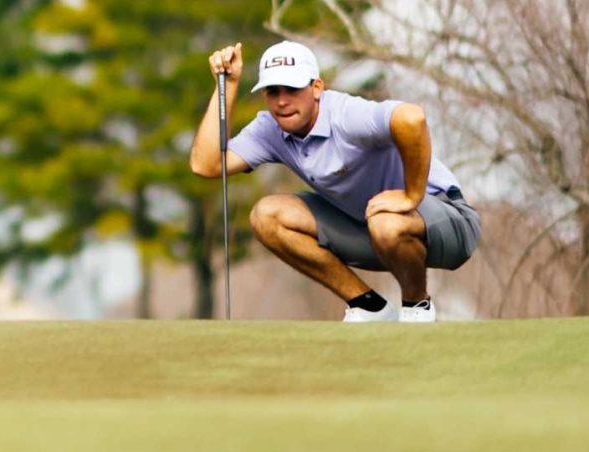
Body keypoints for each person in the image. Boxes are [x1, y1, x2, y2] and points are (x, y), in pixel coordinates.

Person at [188, 39, 479, 322]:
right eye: (272, 91)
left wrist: (411, 196)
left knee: (386, 223)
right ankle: (369, 306)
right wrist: (227, 85)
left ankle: (417, 306)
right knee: (267, 216)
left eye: (292, 88)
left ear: (317, 88)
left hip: (447, 222)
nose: (282, 101)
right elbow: (206, 164)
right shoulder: (269, 129)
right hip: (372, 229)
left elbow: (411, 118)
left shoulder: (345, 114)